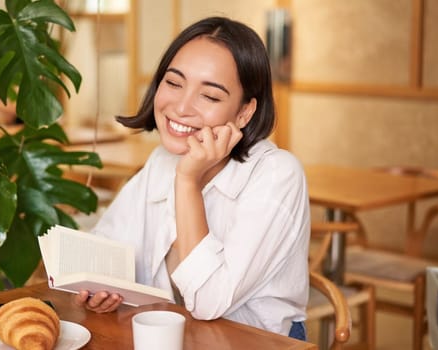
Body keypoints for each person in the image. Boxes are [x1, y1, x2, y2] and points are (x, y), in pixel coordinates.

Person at [71, 16, 310, 339]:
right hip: (173, 338)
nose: (181, 107)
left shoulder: (278, 175)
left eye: (209, 96)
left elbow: (209, 303)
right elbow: (107, 244)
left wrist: (187, 181)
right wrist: (104, 287)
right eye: (173, 83)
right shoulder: (162, 160)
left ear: (244, 112)